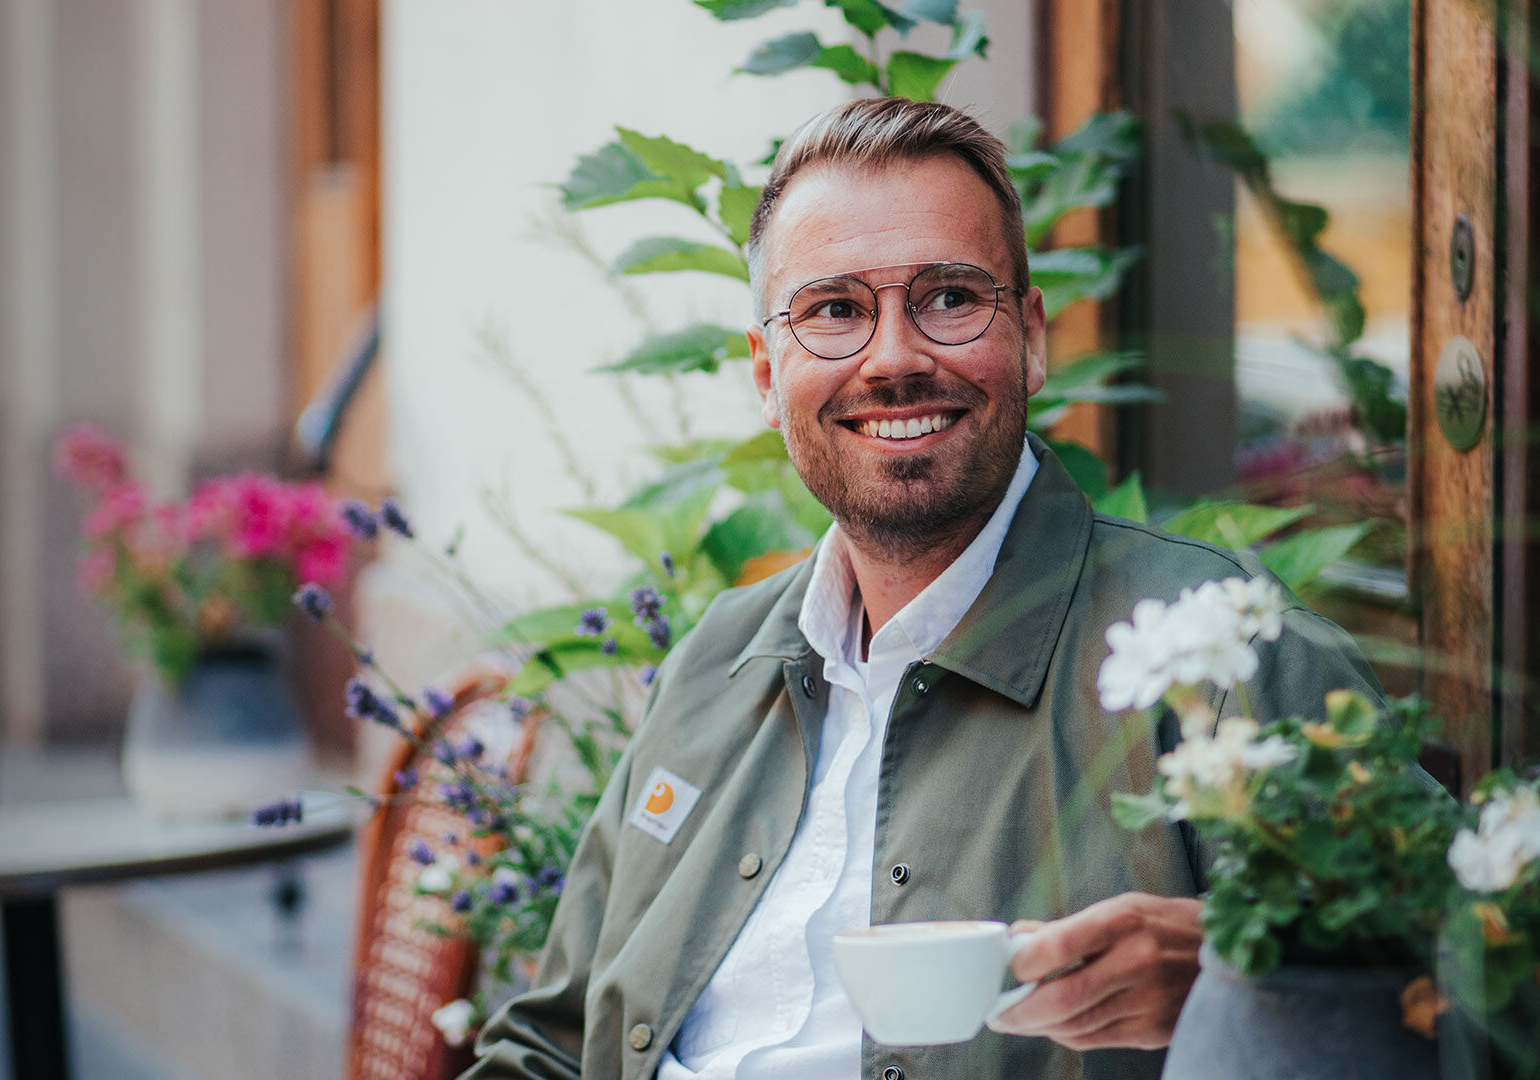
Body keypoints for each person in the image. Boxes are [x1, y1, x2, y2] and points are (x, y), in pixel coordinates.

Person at [461, 97, 1384, 1080]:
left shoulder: (1223, 655)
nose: (895, 357)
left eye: (948, 297)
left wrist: (1248, 982)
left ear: (1030, 337)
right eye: (835, 310)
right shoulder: (713, 667)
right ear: (767, 376)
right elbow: (545, 1049)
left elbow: (1464, 994)